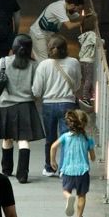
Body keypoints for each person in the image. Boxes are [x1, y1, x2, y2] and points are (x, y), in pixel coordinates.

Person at [0, 34, 45, 183]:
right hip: (26, 107)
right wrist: (34, 97)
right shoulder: (35, 65)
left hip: (6, 106)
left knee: (7, 138)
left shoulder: (4, 62)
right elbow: (37, 89)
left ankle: (6, 170)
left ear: (13, 47)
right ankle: (23, 174)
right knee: (23, 141)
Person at [35, 36, 84, 173]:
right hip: (68, 104)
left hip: (48, 105)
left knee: (50, 138)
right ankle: (64, 168)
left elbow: (37, 90)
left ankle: (49, 168)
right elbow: (78, 84)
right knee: (66, 138)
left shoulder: (43, 65)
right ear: (65, 48)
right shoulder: (74, 62)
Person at [53, 107, 98, 217]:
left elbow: (53, 146)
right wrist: (88, 154)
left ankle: (68, 197)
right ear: (84, 124)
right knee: (82, 195)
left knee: (65, 190)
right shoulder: (88, 139)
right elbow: (93, 157)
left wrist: (52, 161)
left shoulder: (65, 137)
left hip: (68, 170)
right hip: (83, 171)